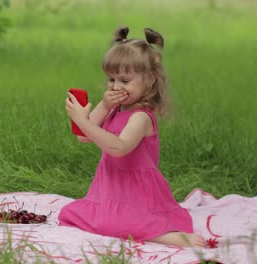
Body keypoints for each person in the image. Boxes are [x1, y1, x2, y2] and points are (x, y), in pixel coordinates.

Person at [59, 26, 206, 248]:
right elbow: (84, 137)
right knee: (69, 213)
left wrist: (82, 120)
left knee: (113, 223)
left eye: (125, 81)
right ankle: (135, 226)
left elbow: (118, 148)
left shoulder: (141, 117)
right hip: (110, 188)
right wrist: (103, 105)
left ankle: (164, 236)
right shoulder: (113, 107)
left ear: (149, 80)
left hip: (137, 193)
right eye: (111, 79)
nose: (116, 86)